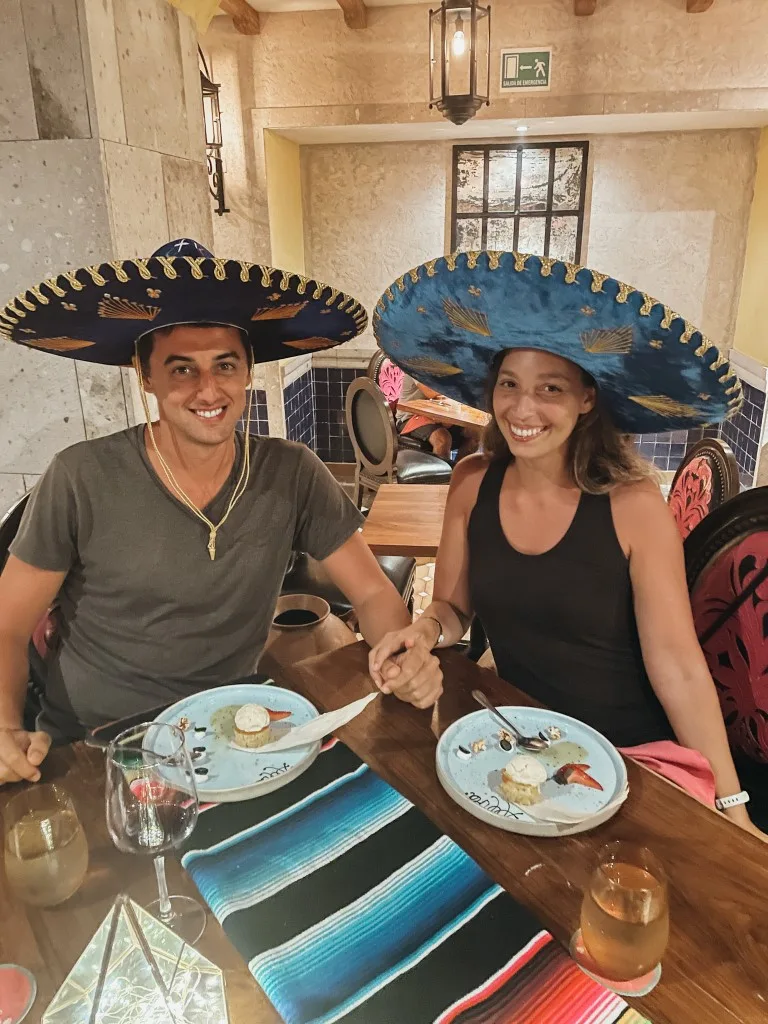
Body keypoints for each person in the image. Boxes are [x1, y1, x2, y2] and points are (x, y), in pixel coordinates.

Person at [0, 239, 441, 785]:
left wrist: (404, 651)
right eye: (181, 369)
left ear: (248, 370)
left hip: (231, 737)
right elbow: (8, 622)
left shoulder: (293, 472)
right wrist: (3, 724)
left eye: (225, 365)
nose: (208, 389)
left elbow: (373, 593)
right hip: (97, 747)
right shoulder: (80, 476)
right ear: (146, 376)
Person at [368, 249, 760, 836]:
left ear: (587, 398)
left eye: (549, 387)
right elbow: (452, 609)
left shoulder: (633, 506)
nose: (522, 409)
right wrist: (423, 632)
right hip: (518, 743)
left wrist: (734, 809)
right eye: (509, 384)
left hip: (629, 762)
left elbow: (678, 667)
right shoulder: (472, 482)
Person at [397, 374, 479, 462]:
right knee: (443, 439)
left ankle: (457, 471)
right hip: (410, 417)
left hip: (440, 414)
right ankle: (442, 474)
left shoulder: (444, 366)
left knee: (474, 433)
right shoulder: (414, 365)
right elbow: (430, 392)